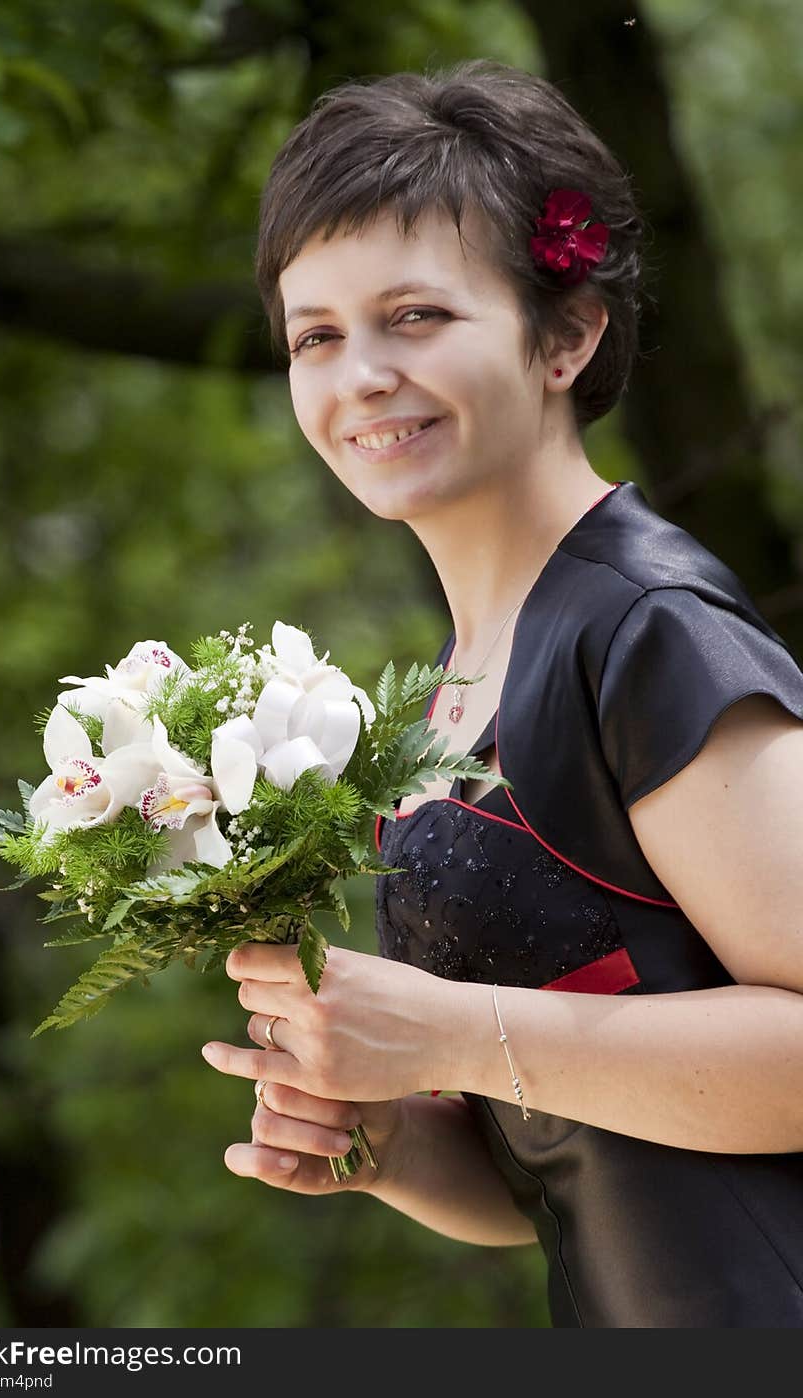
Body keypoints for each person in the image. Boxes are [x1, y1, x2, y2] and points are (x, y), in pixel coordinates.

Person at [199, 61, 803, 1327]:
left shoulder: (646, 632)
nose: (359, 372)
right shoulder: (443, 696)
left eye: (414, 315)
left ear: (566, 334)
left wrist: (450, 1031)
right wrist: (382, 1142)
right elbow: (565, 1156)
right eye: (316, 334)